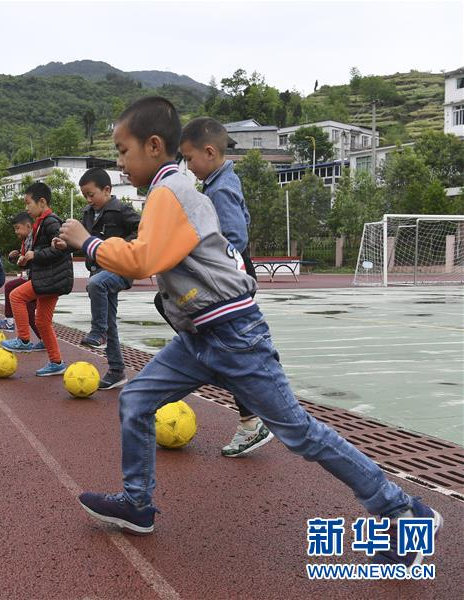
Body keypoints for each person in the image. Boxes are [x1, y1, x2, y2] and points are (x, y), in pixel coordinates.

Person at [57, 97, 442, 568]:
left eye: (122, 150)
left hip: (233, 334)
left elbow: (143, 260)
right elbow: (151, 250)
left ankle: (404, 511)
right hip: (199, 336)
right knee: (136, 400)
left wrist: (87, 242)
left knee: (299, 432)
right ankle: (137, 504)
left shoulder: (170, 191)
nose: (118, 162)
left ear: (154, 146)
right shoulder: (172, 191)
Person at [179, 116, 270, 457]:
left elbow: (235, 237)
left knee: (227, 353)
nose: (188, 166)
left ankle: (252, 421)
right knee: (226, 352)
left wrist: (201, 261)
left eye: (189, 159)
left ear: (210, 152)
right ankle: (251, 418)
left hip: (228, 286)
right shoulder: (219, 183)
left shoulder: (222, 189)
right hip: (230, 282)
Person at [74, 167, 140, 391]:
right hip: (99, 268)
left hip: (121, 268)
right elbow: (84, 240)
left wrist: (120, 246)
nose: (88, 199)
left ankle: (98, 332)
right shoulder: (87, 213)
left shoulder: (122, 210)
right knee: (110, 319)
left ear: (107, 190)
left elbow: (143, 230)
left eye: (91, 194)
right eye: (84, 195)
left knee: (96, 284)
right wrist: (67, 244)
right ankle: (116, 370)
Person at [1, 182, 73, 376]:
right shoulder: (40, 223)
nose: (26, 208)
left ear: (41, 202)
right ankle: (56, 362)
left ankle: (23, 339)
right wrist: (27, 258)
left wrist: (36, 255)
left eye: (28, 203)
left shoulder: (50, 222)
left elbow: (60, 248)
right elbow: (44, 251)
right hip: (49, 279)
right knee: (42, 322)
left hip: (51, 279)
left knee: (16, 296)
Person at [0, 213, 44, 351]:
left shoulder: (36, 238)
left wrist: (27, 258)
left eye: (17, 228)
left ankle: (12, 325)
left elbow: (38, 257)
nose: (15, 232)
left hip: (40, 280)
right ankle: (44, 341)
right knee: (31, 312)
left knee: (11, 288)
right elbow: (26, 262)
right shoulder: (26, 241)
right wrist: (17, 257)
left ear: (28, 226)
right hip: (32, 277)